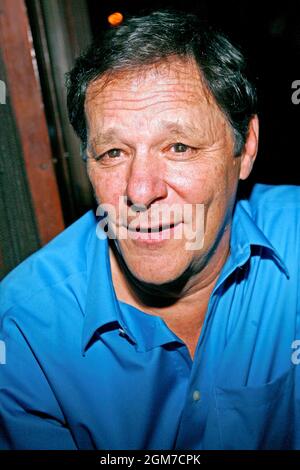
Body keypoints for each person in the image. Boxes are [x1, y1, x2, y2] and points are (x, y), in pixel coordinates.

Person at [0, 9, 299, 450]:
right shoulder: (24, 331)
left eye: (179, 147)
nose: (140, 191)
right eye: (113, 153)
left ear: (246, 146)